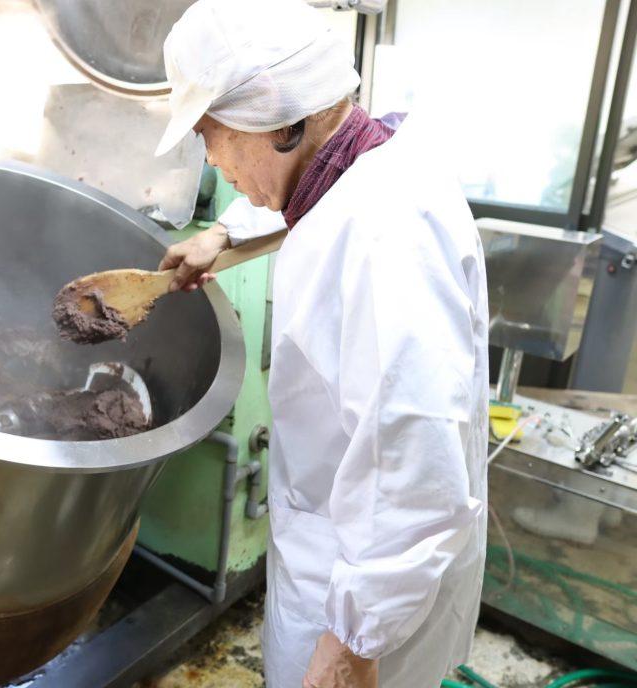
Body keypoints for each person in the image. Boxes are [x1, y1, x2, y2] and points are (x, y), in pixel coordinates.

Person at [153, 1, 490, 687]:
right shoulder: (366, 160)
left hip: (362, 601)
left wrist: (351, 646)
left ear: (279, 120)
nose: (213, 161)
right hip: (338, 564)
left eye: (212, 137)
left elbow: (418, 458)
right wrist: (226, 234)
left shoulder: (387, 237)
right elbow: (314, 197)